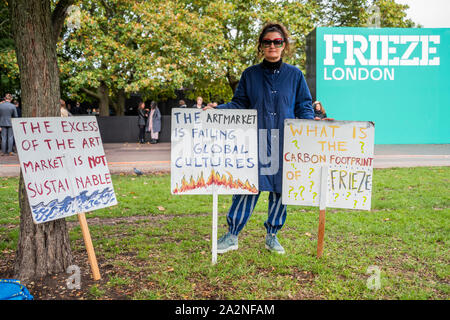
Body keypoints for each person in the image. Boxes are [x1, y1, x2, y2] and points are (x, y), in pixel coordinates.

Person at [204, 23, 314, 255]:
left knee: (280, 190)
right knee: (247, 187)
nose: (272, 46)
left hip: (285, 142)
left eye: (277, 42)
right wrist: (217, 109)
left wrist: (309, 128)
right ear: (261, 46)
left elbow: (304, 106)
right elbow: (239, 104)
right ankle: (232, 234)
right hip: (256, 141)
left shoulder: (295, 75)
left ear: (284, 45)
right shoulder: (250, 75)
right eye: (267, 42)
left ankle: (272, 236)